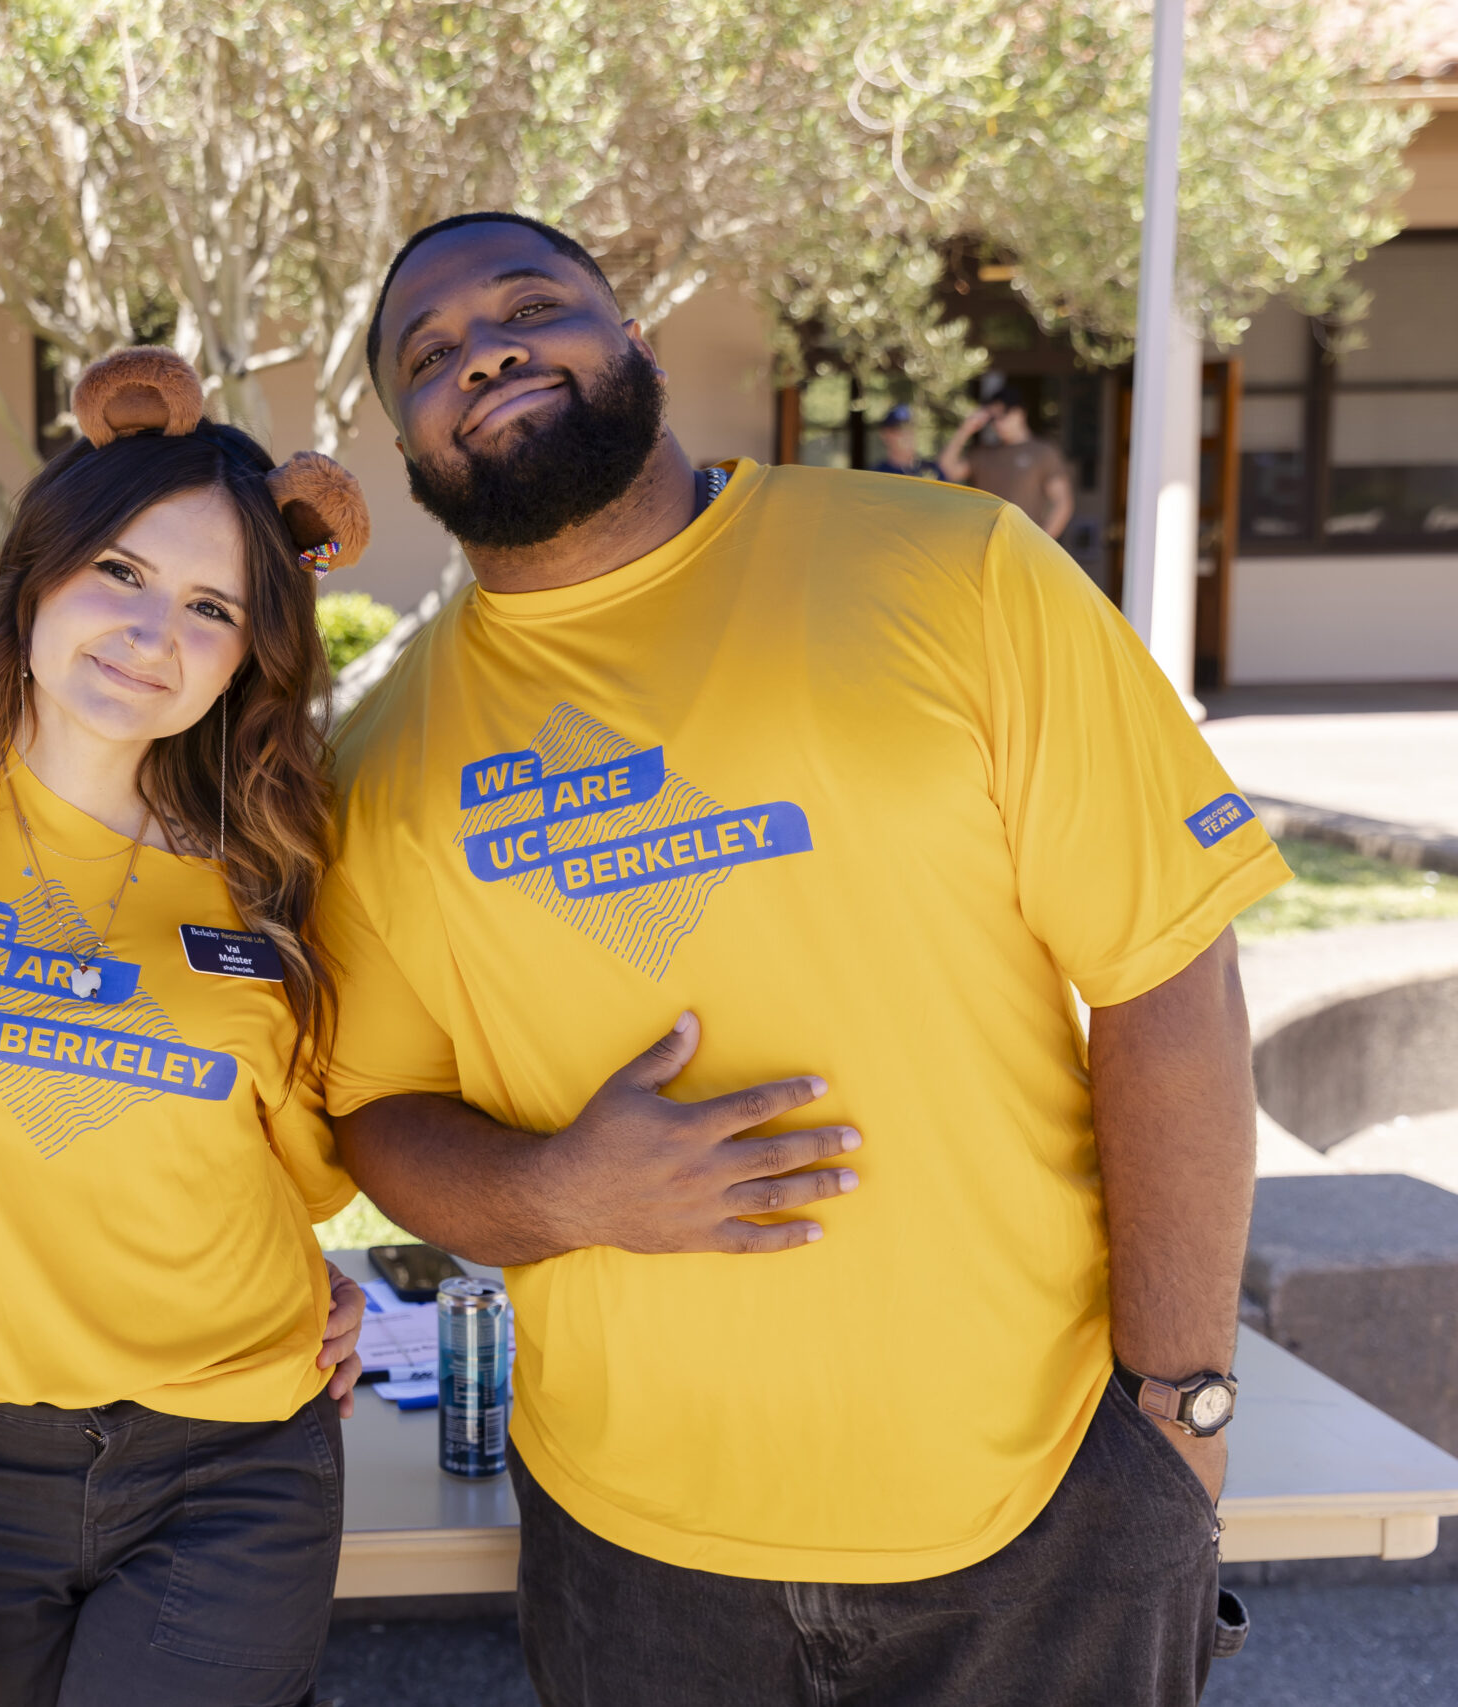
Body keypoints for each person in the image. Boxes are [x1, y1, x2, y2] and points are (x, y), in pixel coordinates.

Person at [326, 211, 1284, 1704]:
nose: (486, 351)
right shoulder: (381, 751)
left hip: (1042, 1507)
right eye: (430, 355)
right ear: (409, 447)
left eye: (531, 305)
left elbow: (1168, 977)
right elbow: (377, 1108)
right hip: (633, 1541)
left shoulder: (954, 566)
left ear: (633, 336)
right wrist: (556, 1189)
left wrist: (1179, 1410)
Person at [0, 348, 372, 1707]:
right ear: (40, 569)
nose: (154, 633)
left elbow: (304, 1164)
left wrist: (335, 1291)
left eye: (211, 607)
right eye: (121, 573)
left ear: (251, 652)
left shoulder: (280, 856)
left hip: (234, 1454)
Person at [939, 384, 1076, 537]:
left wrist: (1041, 543)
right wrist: (965, 429)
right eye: (993, 418)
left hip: (1023, 545)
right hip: (983, 544)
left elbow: (1063, 503)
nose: (998, 423)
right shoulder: (982, 454)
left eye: (1003, 414)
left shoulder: (1043, 453)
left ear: (1020, 413)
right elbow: (946, 470)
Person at [865, 402, 930, 477]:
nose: (907, 434)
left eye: (910, 426)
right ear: (884, 434)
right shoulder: (876, 476)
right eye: (899, 428)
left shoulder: (931, 471)